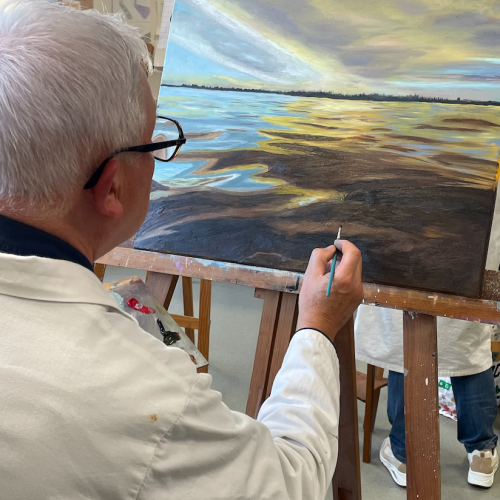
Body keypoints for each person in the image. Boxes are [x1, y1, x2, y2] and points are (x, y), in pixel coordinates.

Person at [0, 2, 364, 499]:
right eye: (153, 144)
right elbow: (291, 480)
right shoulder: (139, 395)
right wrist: (317, 327)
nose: (159, 160)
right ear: (111, 186)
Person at [355, 214, 500, 488]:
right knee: (467, 345)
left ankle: (402, 453)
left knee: (403, 336)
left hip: (406, 236)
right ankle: (482, 453)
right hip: (471, 235)